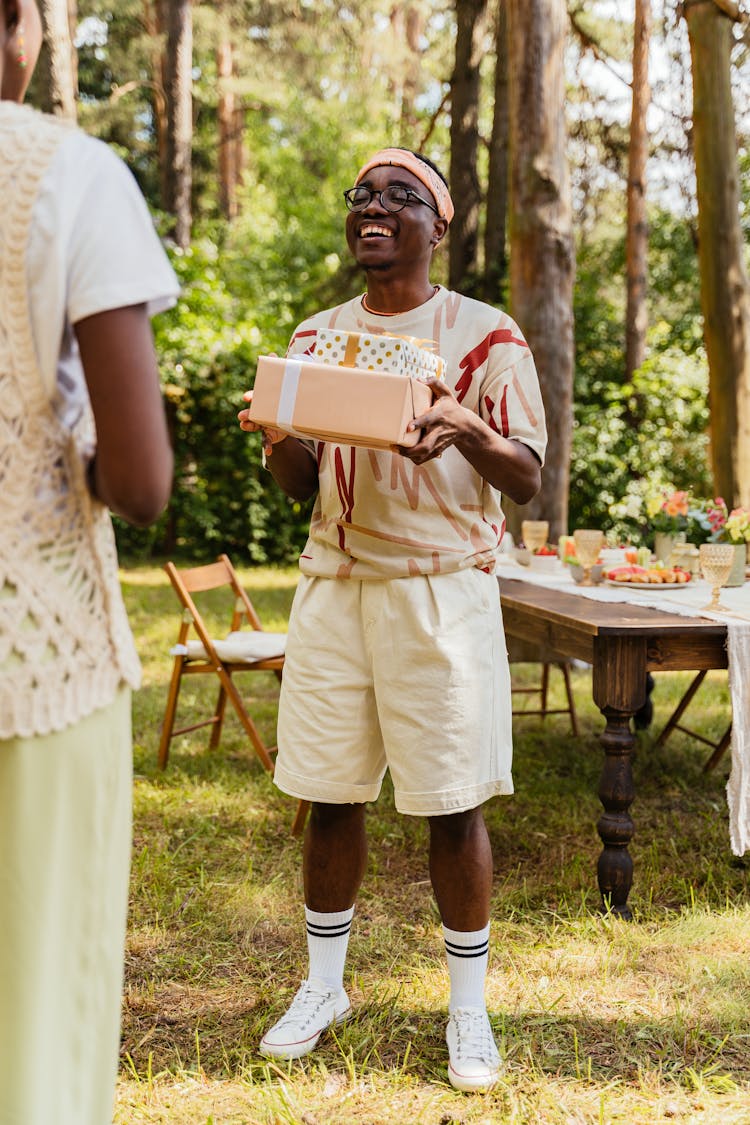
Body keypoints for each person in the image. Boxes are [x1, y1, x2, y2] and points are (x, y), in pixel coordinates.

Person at [239, 147, 547, 1091]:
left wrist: (467, 428)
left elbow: (529, 477)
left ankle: (468, 1010)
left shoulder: (486, 337)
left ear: (439, 223)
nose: (374, 208)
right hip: (335, 582)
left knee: (452, 802)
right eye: (363, 196)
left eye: (400, 196)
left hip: (439, 588)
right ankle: (324, 986)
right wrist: (279, 433)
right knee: (330, 793)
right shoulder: (316, 337)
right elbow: (297, 485)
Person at [0, 2, 179, 1122]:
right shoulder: (69, 175)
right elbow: (144, 481)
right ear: (13, 26)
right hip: (37, 658)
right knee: (37, 1038)